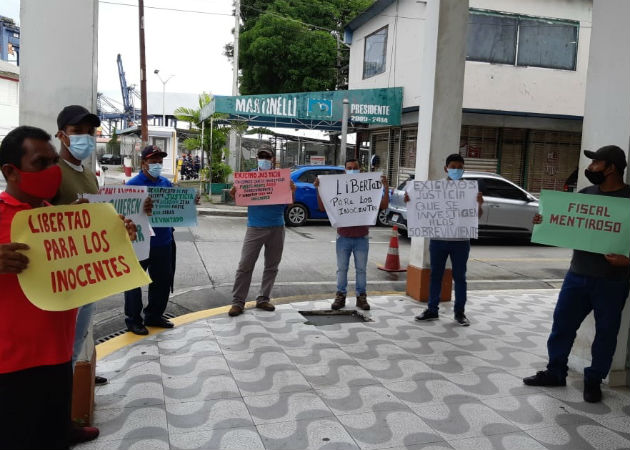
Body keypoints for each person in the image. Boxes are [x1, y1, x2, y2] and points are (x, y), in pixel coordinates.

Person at [0, 126, 136, 449]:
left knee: (53, 428)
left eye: (52, 163)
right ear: (10, 172)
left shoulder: (57, 220)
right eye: (40, 164)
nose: (51, 172)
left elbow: (94, 256)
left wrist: (121, 235)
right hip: (13, 363)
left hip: (59, 354)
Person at [523, 145, 630, 403]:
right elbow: (566, 224)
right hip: (577, 275)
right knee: (562, 325)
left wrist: (628, 260)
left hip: (613, 282)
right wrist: (543, 222)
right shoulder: (585, 195)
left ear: (612, 167)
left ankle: (594, 380)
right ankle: (555, 371)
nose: (590, 168)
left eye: (596, 163)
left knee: (605, 333)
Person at [53, 105, 105, 444]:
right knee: (62, 354)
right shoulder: (52, 173)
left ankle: (65, 416)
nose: (85, 138)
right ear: (61, 135)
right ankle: (60, 424)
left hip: (86, 275)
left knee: (73, 350)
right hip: (62, 280)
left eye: (90, 132)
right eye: (77, 131)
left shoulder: (86, 173)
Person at [413, 153, 483, 326]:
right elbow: (421, 206)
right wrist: (410, 199)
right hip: (438, 239)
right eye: (453, 167)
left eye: (460, 167)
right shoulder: (436, 188)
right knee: (435, 275)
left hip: (460, 241)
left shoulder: (469, 189)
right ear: (446, 168)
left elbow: (476, 216)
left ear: (463, 169)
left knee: (460, 277)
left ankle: (460, 313)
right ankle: (432, 310)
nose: (456, 170)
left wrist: (480, 204)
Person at [228, 146, 295, 317]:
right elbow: (237, 198)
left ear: (273, 159)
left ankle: (264, 298)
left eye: (267, 156)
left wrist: (291, 191)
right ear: (256, 158)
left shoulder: (281, 178)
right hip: (255, 227)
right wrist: (233, 193)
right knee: (245, 265)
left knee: (272, 266)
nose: (264, 159)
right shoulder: (249, 177)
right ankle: (237, 302)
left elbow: (289, 204)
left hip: (277, 226)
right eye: (261, 156)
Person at [313, 158, 389, 310]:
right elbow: (322, 208)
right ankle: (340, 296)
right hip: (343, 237)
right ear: (345, 170)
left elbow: (384, 205)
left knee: (361, 270)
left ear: (360, 170)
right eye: (349, 167)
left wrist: (385, 187)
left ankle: (361, 297)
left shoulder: (367, 186)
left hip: (362, 236)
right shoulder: (337, 186)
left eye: (355, 167)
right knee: (342, 269)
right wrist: (318, 189)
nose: (352, 169)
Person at [124, 145, 176, 335]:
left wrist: (188, 202)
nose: (157, 164)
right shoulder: (132, 185)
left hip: (163, 242)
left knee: (162, 281)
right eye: (153, 161)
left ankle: (154, 316)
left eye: (160, 161)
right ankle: (133, 320)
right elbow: (123, 216)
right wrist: (140, 207)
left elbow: (175, 206)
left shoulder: (165, 183)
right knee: (133, 283)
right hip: (139, 243)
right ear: (143, 162)